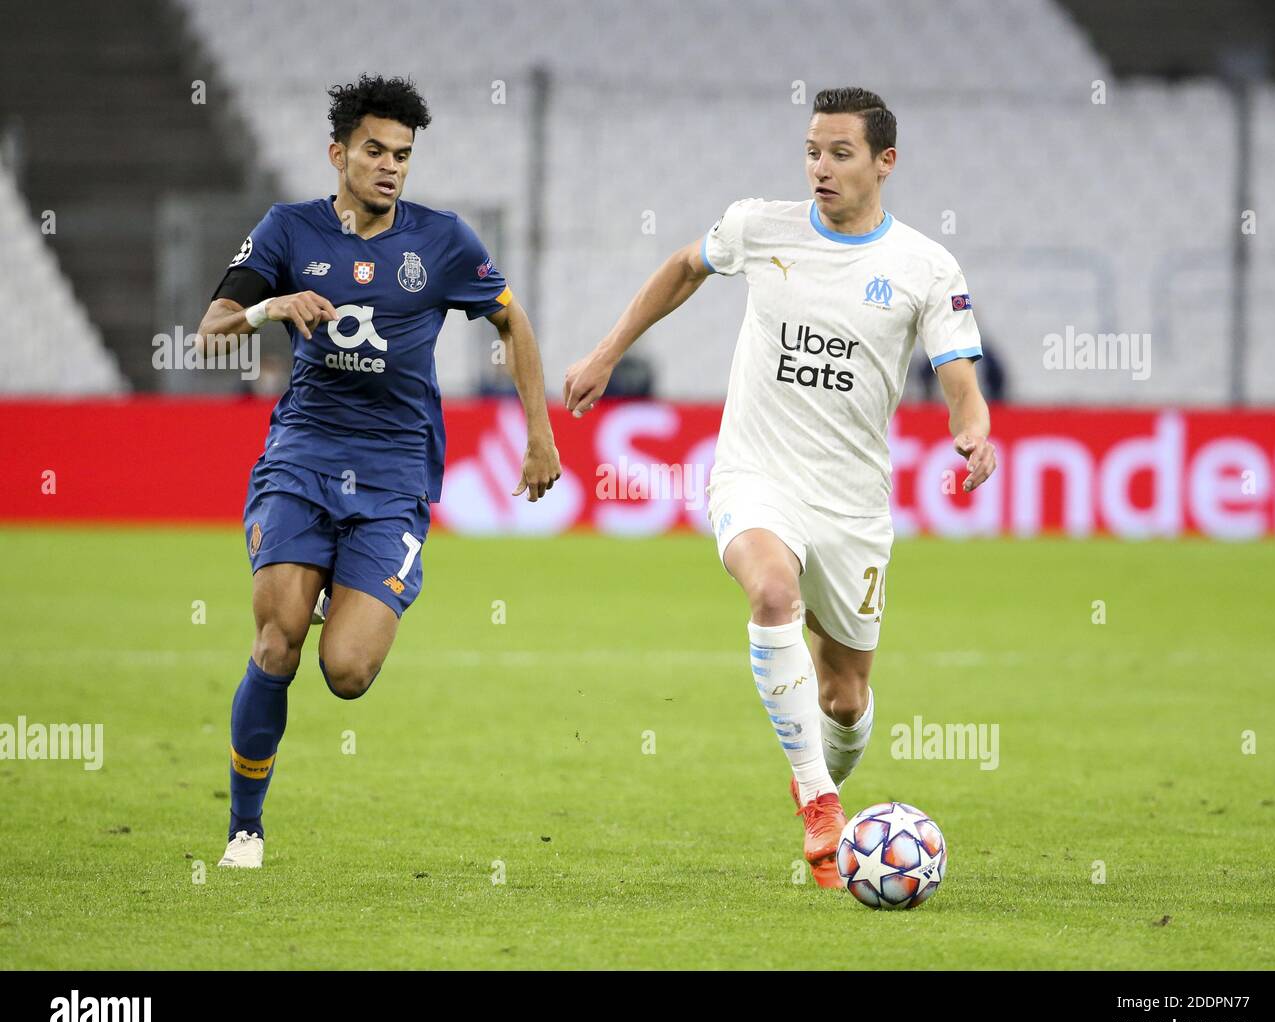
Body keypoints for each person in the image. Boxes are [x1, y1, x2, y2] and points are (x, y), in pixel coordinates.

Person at [563, 87, 996, 889]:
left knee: (844, 695)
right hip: (756, 476)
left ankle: (826, 771)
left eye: (839, 154)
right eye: (811, 151)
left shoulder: (925, 268)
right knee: (770, 593)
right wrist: (606, 352)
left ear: (884, 162)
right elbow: (684, 266)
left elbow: (958, 372)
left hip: (853, 505)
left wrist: (972, 426)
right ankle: (819, 801)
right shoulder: (762, 226)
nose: (819, 168)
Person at [196, 74, 562, 868]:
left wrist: (540, 434)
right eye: (374, 150)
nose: (390, 166)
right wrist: (272, 307)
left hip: (395, 478)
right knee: (276, 645)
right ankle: (245, 828)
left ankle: (346, 579)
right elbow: (210, 333)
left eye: (402, 154)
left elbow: (512, 317)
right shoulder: (287, 230)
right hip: (303, 459)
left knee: (348, 672)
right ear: (338, 153)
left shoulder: (443, 241)